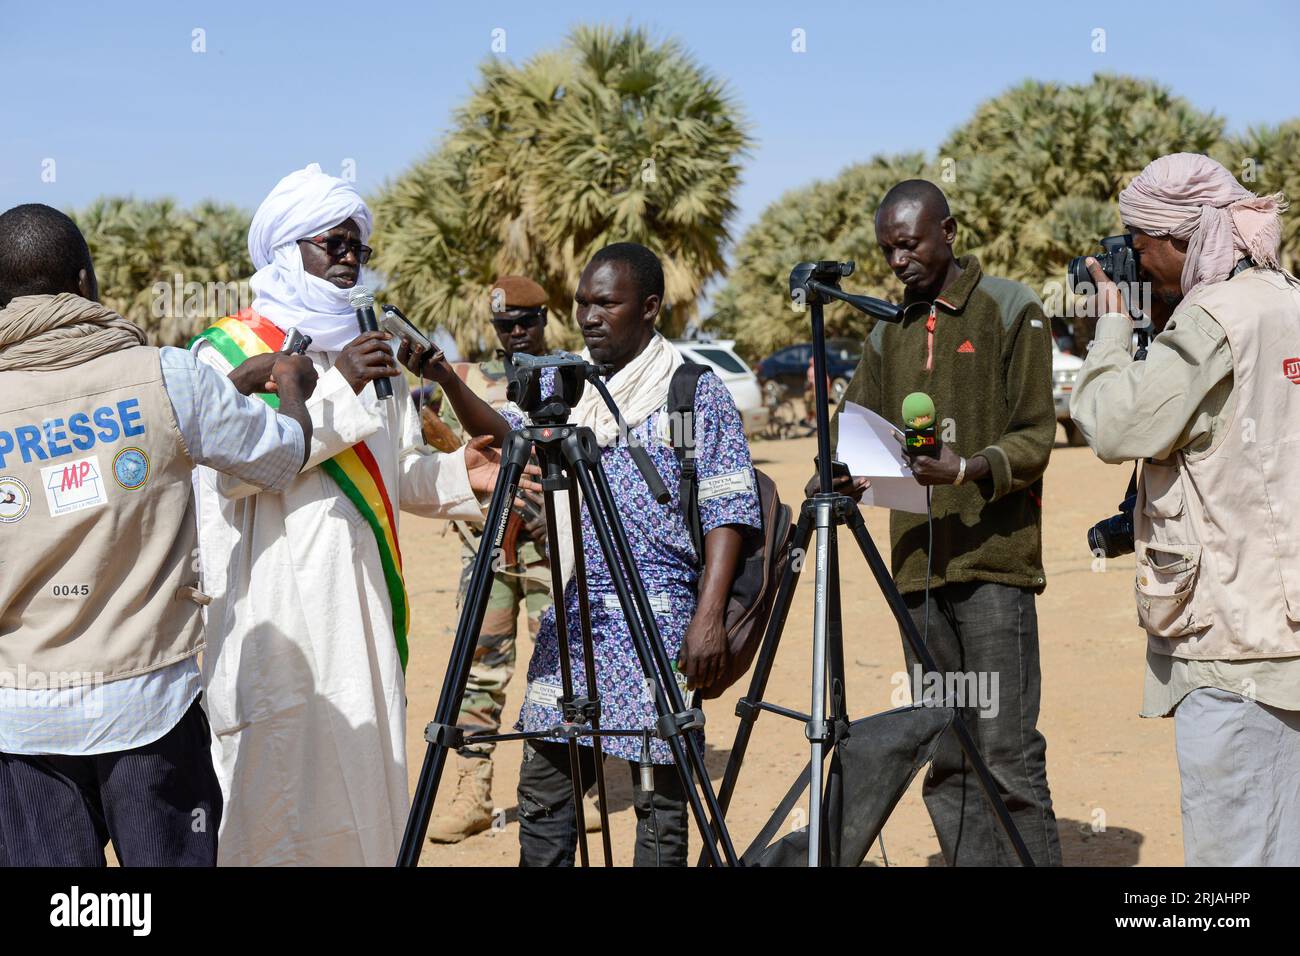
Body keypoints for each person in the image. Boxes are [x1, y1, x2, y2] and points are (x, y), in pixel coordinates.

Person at [191, 164, 519, 866]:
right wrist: (337, 387)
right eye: (332, 243)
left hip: (361, 616)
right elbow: (235, 477)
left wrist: (465, 472)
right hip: (270, 614)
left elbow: (395, 476)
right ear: (287, 249)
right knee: (273, 804)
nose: (349, 259)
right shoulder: (225, 352)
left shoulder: (371, 349)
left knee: (364, 799)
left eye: (357, 246)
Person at [0, 203, 317, 866]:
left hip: (22, 722)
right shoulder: (169, 377)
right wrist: (289, 385)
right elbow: (282, 457)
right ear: (86, 282)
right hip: (150, 713)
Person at [821, 180, 1061, 866]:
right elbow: (859, 431)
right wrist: (841, 470)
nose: (898, 260)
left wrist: (968, 468)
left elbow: (1036, 436)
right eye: (887, 249)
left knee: (1007, 754)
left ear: (949, 231)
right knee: (948, 754)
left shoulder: (1011, 310)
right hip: (917, 575)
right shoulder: (884, 332)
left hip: (994, 565)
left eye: (909, 243)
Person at [1070, 153, 1298, 866]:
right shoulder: (1287, 297)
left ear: (1181, 236)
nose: (1136, 262)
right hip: (1283, 627)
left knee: (1235, 859)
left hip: (1231, 643)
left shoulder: (1211, 321)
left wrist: (1110, 329)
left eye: (1138, 244)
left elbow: (1115, 426)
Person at [514, 242, 761, 867]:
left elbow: (729, 511)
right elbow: (502, 432)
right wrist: (437, 375)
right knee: (547, 782)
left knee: (657, 800)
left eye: (606, 303)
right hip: (578, 614)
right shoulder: (570, 387)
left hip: (660, 616)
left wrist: (708, 618)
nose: (589, 316)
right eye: (582, 304)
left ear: (649, 307)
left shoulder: (692, 390)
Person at [426, 275, 559, 843]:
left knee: (565, 666)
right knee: (480, 672)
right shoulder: (465, 381)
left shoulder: (568, 375)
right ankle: (473, 791)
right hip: (486, 548)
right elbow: (433, 445)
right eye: (506, 325)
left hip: (554, 550)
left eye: (527, 322)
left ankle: (579, 784)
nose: (517, 333)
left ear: (545, 319)